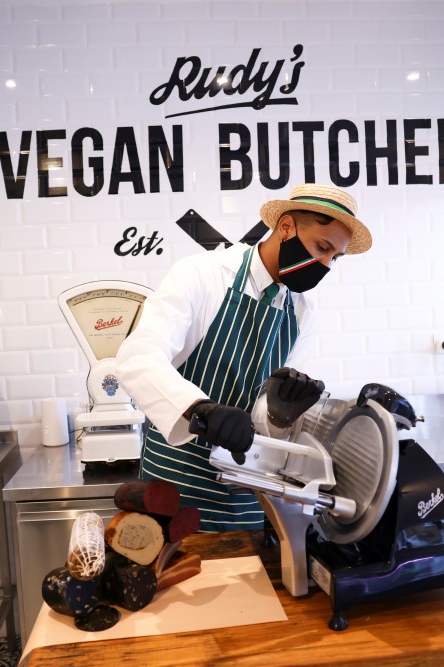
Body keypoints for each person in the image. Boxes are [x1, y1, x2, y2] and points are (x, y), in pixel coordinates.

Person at [115, 183, 372, 532]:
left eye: (334, 258)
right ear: (286, 227)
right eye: (322, 247)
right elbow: (138, 356)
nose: (325, 264)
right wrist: (199, 408)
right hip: (175, 488)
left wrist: (284, 413)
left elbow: (272, 426)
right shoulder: (202, 275)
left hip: (250, 498)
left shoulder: (301, 312)